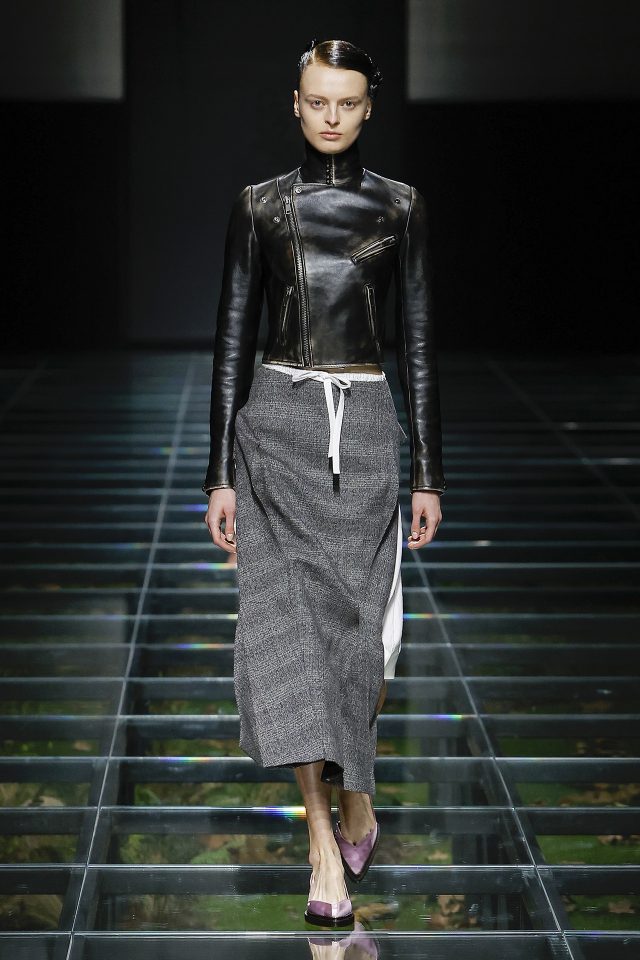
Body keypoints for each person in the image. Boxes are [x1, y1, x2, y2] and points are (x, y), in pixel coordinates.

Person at [203, 38, 446, 928]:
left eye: (347, 102)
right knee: (289, 637)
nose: (332, 116)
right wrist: (218, 474)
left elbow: (419, 343)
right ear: (297, 103)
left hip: (369, 429)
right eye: (317, 101)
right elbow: (232, 339)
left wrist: (428, 472)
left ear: (368, 107)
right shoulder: (259, 206)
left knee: (364, 641)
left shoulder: (401, 206)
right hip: (277, 426)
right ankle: (320, 844)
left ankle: (357, 791)